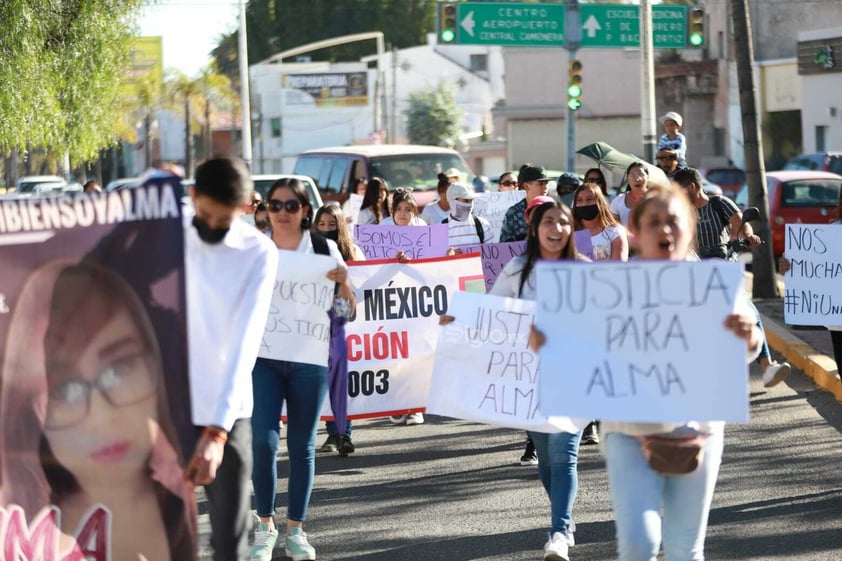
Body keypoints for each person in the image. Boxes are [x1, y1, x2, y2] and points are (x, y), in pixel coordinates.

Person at [532, 187, 763, 561]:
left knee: (684, 549)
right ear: (637, 231)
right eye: (654, 221)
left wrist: (748, 336)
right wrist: (550, 341)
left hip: (696, 435)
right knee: (639, 544)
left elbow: (745, 351)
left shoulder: (712, 287)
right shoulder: (610, 289)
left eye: (673, 220)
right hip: (629, 433)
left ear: (688, 229)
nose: (664, 229)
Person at [0, 261, 195, 560]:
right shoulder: (20, 531)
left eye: (119, 369)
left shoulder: (176, 509)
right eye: (65, 390)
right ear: (31, 413)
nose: (101, 417)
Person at [444, 199, 587, 560]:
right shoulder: (519, 268)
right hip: (528, 380)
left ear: (571, 230)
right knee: (546, 457)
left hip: (572, 377)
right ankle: (564, 520)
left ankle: (558, 532)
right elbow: (493, 314)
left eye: (563, 223)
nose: (556, 229)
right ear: (535, 229)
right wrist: (459, 319)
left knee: (564, 453)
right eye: (549, 222)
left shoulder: (585, 271)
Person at [250, 177, 355, 561]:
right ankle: (264, 526)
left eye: (290, 205)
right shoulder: (257, 249)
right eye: (275, 205)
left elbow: (347, 314)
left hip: (309, 359)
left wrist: (344, 287)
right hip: (264, 357)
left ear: (305, 210)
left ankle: (296, 530)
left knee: (302, 445)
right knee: (262, 441)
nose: (282, 212)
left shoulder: (324, 249)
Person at [185, 156, 278, 561]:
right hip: (165, 404)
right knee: (154, 531)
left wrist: (217, 433)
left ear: (243, 209)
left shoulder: (258, 252)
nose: (213, 227)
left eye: (224, 220)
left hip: (229, 410)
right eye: (205, 215)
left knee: (230, 542)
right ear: (192, 197)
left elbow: (244, 344)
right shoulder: (165, 232)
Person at [673, 167, 791, 388]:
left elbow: (741, 227)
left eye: (679, 190)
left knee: (747, 309)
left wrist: (749, 238)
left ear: (692, 187)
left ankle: (767, 367)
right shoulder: (679, 213)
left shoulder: (719, 204)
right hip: (694, 273)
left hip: (722, 266)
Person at [313, 203, 364, 455]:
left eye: (331, 225)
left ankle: (343, 434)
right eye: (321, 225)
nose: (325, 229)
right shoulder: (309, 250)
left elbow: (368, 277)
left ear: (341, 227)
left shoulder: (353, 251)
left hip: (342, 314)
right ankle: (332, 433)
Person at [572, 181, 629, 262]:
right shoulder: (569, 233)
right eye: (579, 200)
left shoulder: (615, 232)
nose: (584, 204)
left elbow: (619, 268)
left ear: (600, 202)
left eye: (589, 199)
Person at [500, 164, 551, 242]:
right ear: (526, 186)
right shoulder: (514, 213)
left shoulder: (554, 209)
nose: (545, 187)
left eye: (546, 183)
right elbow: (505, 245)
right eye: (540, 183)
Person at [445, 182, 496, 249]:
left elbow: (492, 253)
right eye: (466, 200)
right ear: (452, 201)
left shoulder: (482, 224)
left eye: (471, 200)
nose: (470, 204)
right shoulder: (441, 228)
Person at [610, 161, 650, 229]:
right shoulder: (618, 200)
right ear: (627, 179)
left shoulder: (656, 199)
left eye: (641, 175)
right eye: (632, 176)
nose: (637, 179)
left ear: (648, 177)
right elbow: (613, 229)